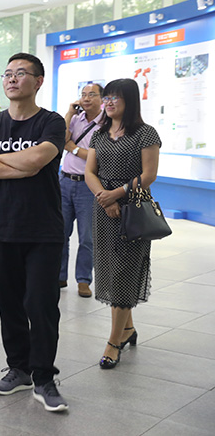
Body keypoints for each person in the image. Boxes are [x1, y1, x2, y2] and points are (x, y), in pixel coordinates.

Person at [0, 52, 68, 412]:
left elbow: (38, 159)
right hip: (0, 227)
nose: (12, 79)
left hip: (42, 229)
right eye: (8, 73)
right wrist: (21, 165)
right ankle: (19, 369)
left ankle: (43, 376)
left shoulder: (51, 122)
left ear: (38, 81)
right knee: (9, 304)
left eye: (21, 73)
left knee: (41, 306)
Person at [84, 78, 161, 369]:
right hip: (103, 208)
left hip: (132, 208)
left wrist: (116, 194)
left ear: (130, 100)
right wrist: (104, 198)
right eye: (106, 98)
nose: (109, 103)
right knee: (108, 268)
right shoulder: (100, 134)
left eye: (115, 97)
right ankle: (127, 329)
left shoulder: (145, 133)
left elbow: (148, 175)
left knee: (125, 271)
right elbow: (90, 171)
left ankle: (113, 342)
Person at [60, 82, 104, 297]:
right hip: (65, 182)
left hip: (89, 185)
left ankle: (83, 280)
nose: (86, 98)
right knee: (60, 233)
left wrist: (74, 148)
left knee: (87, 237)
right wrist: (69, 113)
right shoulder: (75, 119)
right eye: (83, 94)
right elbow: (60, 140)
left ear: (102, 99)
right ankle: (59, 275)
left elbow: (99, 157)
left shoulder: (107, 124)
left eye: (92, 94)